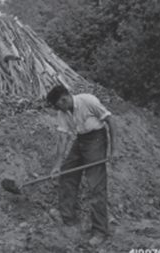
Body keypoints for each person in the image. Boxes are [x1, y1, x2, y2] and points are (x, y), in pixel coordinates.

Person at [46, 85, 118, 246]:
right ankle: (67, 217)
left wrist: (114, 150)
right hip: (81, 140)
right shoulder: (63, 112)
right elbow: (63, 140)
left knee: (95, 186)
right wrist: (57, 165)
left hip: (97, 139)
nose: (59, 109)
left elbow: (111, 121)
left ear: (64, 99)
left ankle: (100, 231)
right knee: (67, 172)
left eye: (59, 105)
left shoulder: (88, 101)